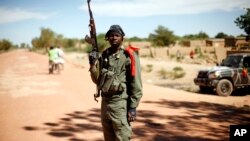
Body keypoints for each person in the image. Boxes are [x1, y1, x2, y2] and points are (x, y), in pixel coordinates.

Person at [88, 25, 143, 141]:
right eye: (111, 35)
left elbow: (136, 82)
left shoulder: (129, 56)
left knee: (122, 137)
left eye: (117, 35)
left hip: (120, 104)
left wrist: (132, 107)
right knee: (108, 138)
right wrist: (92, 64)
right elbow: (97, 80)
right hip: (105, 103)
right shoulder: (104, 55)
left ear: (122, 38)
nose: (114, 38)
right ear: (107, 38)